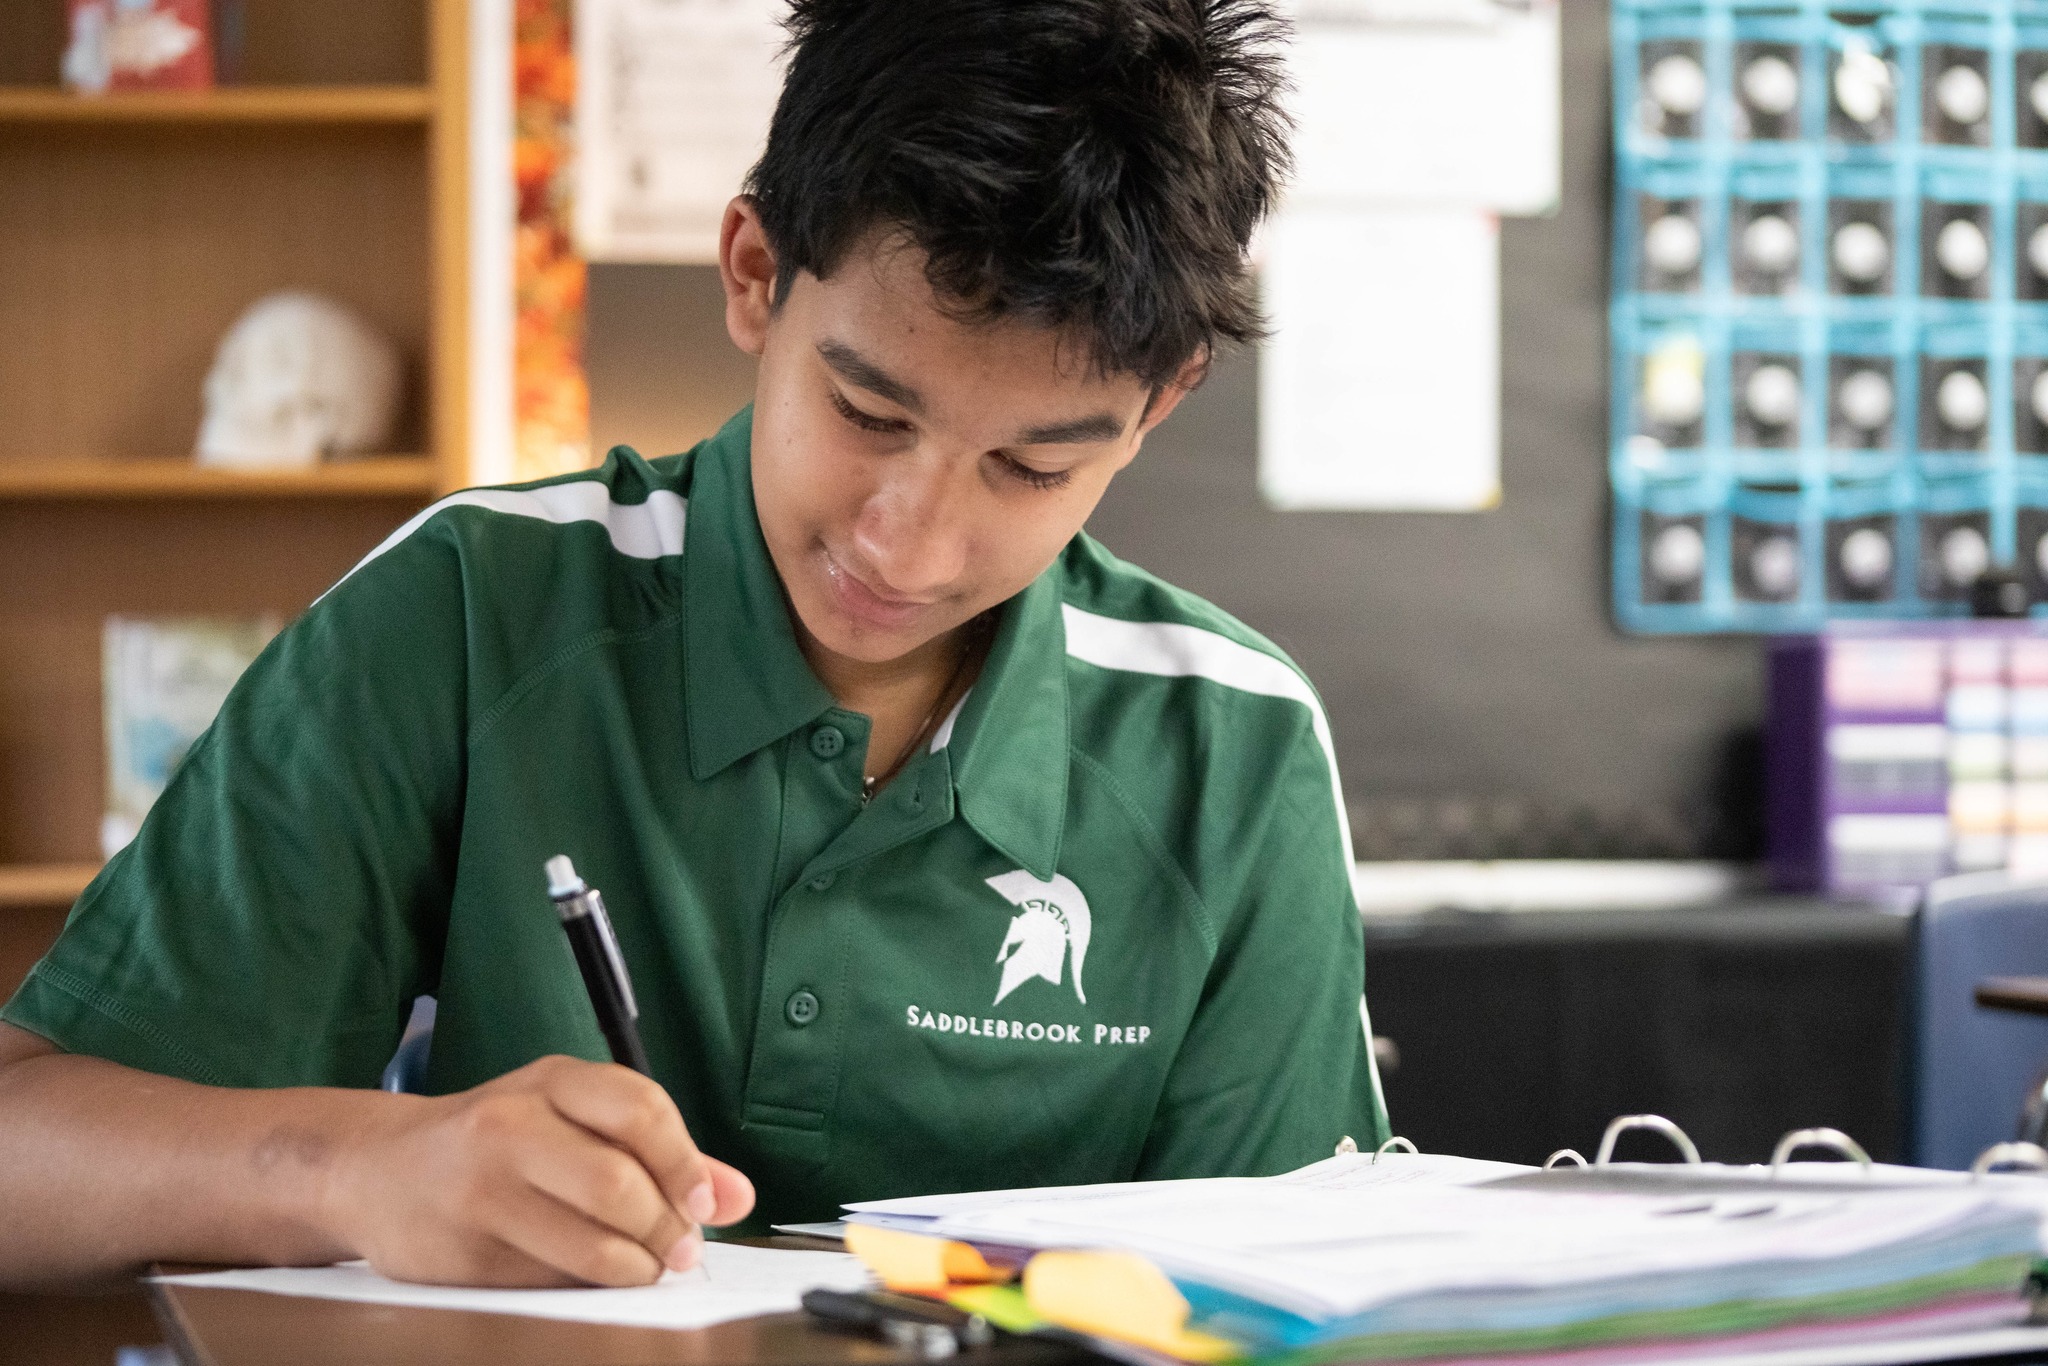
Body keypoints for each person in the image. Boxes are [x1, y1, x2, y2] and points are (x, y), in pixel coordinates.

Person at [0, 0, 1388, 1291]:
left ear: (1160, 403)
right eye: (868, 414)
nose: (909, 546)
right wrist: (360, 1169)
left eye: (1031, 468)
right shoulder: (471, 610)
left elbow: (1297, 1295)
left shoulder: (1234, 746)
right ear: (755, 273)